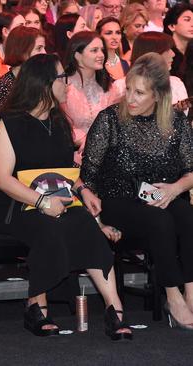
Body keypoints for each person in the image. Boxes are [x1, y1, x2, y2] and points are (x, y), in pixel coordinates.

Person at [0, 53, 132, 340]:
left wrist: (84, 190)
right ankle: (35, 306)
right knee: (47, 227)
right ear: (44, 83)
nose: (68, 82)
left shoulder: (58, 121)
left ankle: (114, 309)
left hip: (59, 199)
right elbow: (1, 179)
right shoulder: (10, 123)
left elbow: (67, 171)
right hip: (17, 206)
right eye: (62, 77)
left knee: (87, 225)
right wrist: (41, 202)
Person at [81, 52, 193, 330]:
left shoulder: (175, 123)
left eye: (139, 92)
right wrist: (96, 219)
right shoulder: (110, 120)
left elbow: (191, 169)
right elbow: (88, 174)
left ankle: (192, 293)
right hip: (118, 201)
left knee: (187, 215)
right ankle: (172, 296)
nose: (130, 98)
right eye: (128, 89)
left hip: (157, 195)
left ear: (157, 95)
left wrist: (175, 188)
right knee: (161, 219)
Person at [61, 31, 117, 164]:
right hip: (71, 155)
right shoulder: (62, 85)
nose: (101, 55)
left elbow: (114, 124)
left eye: (102, 50)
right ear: (77, 55)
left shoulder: (109, 86)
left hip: (105, 154)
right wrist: (83, 139)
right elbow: (59, 125)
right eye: (94, 50)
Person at [0, 26, 46, 123]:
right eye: (39, 48)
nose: (45, 53)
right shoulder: (1, 87)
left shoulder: (42, 81)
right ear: (22, 51)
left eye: (44, 48)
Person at [112, 32, 188, 109]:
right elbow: (111, 117)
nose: (173, 54)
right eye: (168, 50)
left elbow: (184, 117)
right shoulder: (121, 86)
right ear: (152, 53)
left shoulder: (175, 83)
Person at [164, 3, 193, 96]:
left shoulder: (190, 54)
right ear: (172, 26)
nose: (192, 24)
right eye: (187, 20)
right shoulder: (164, 53)